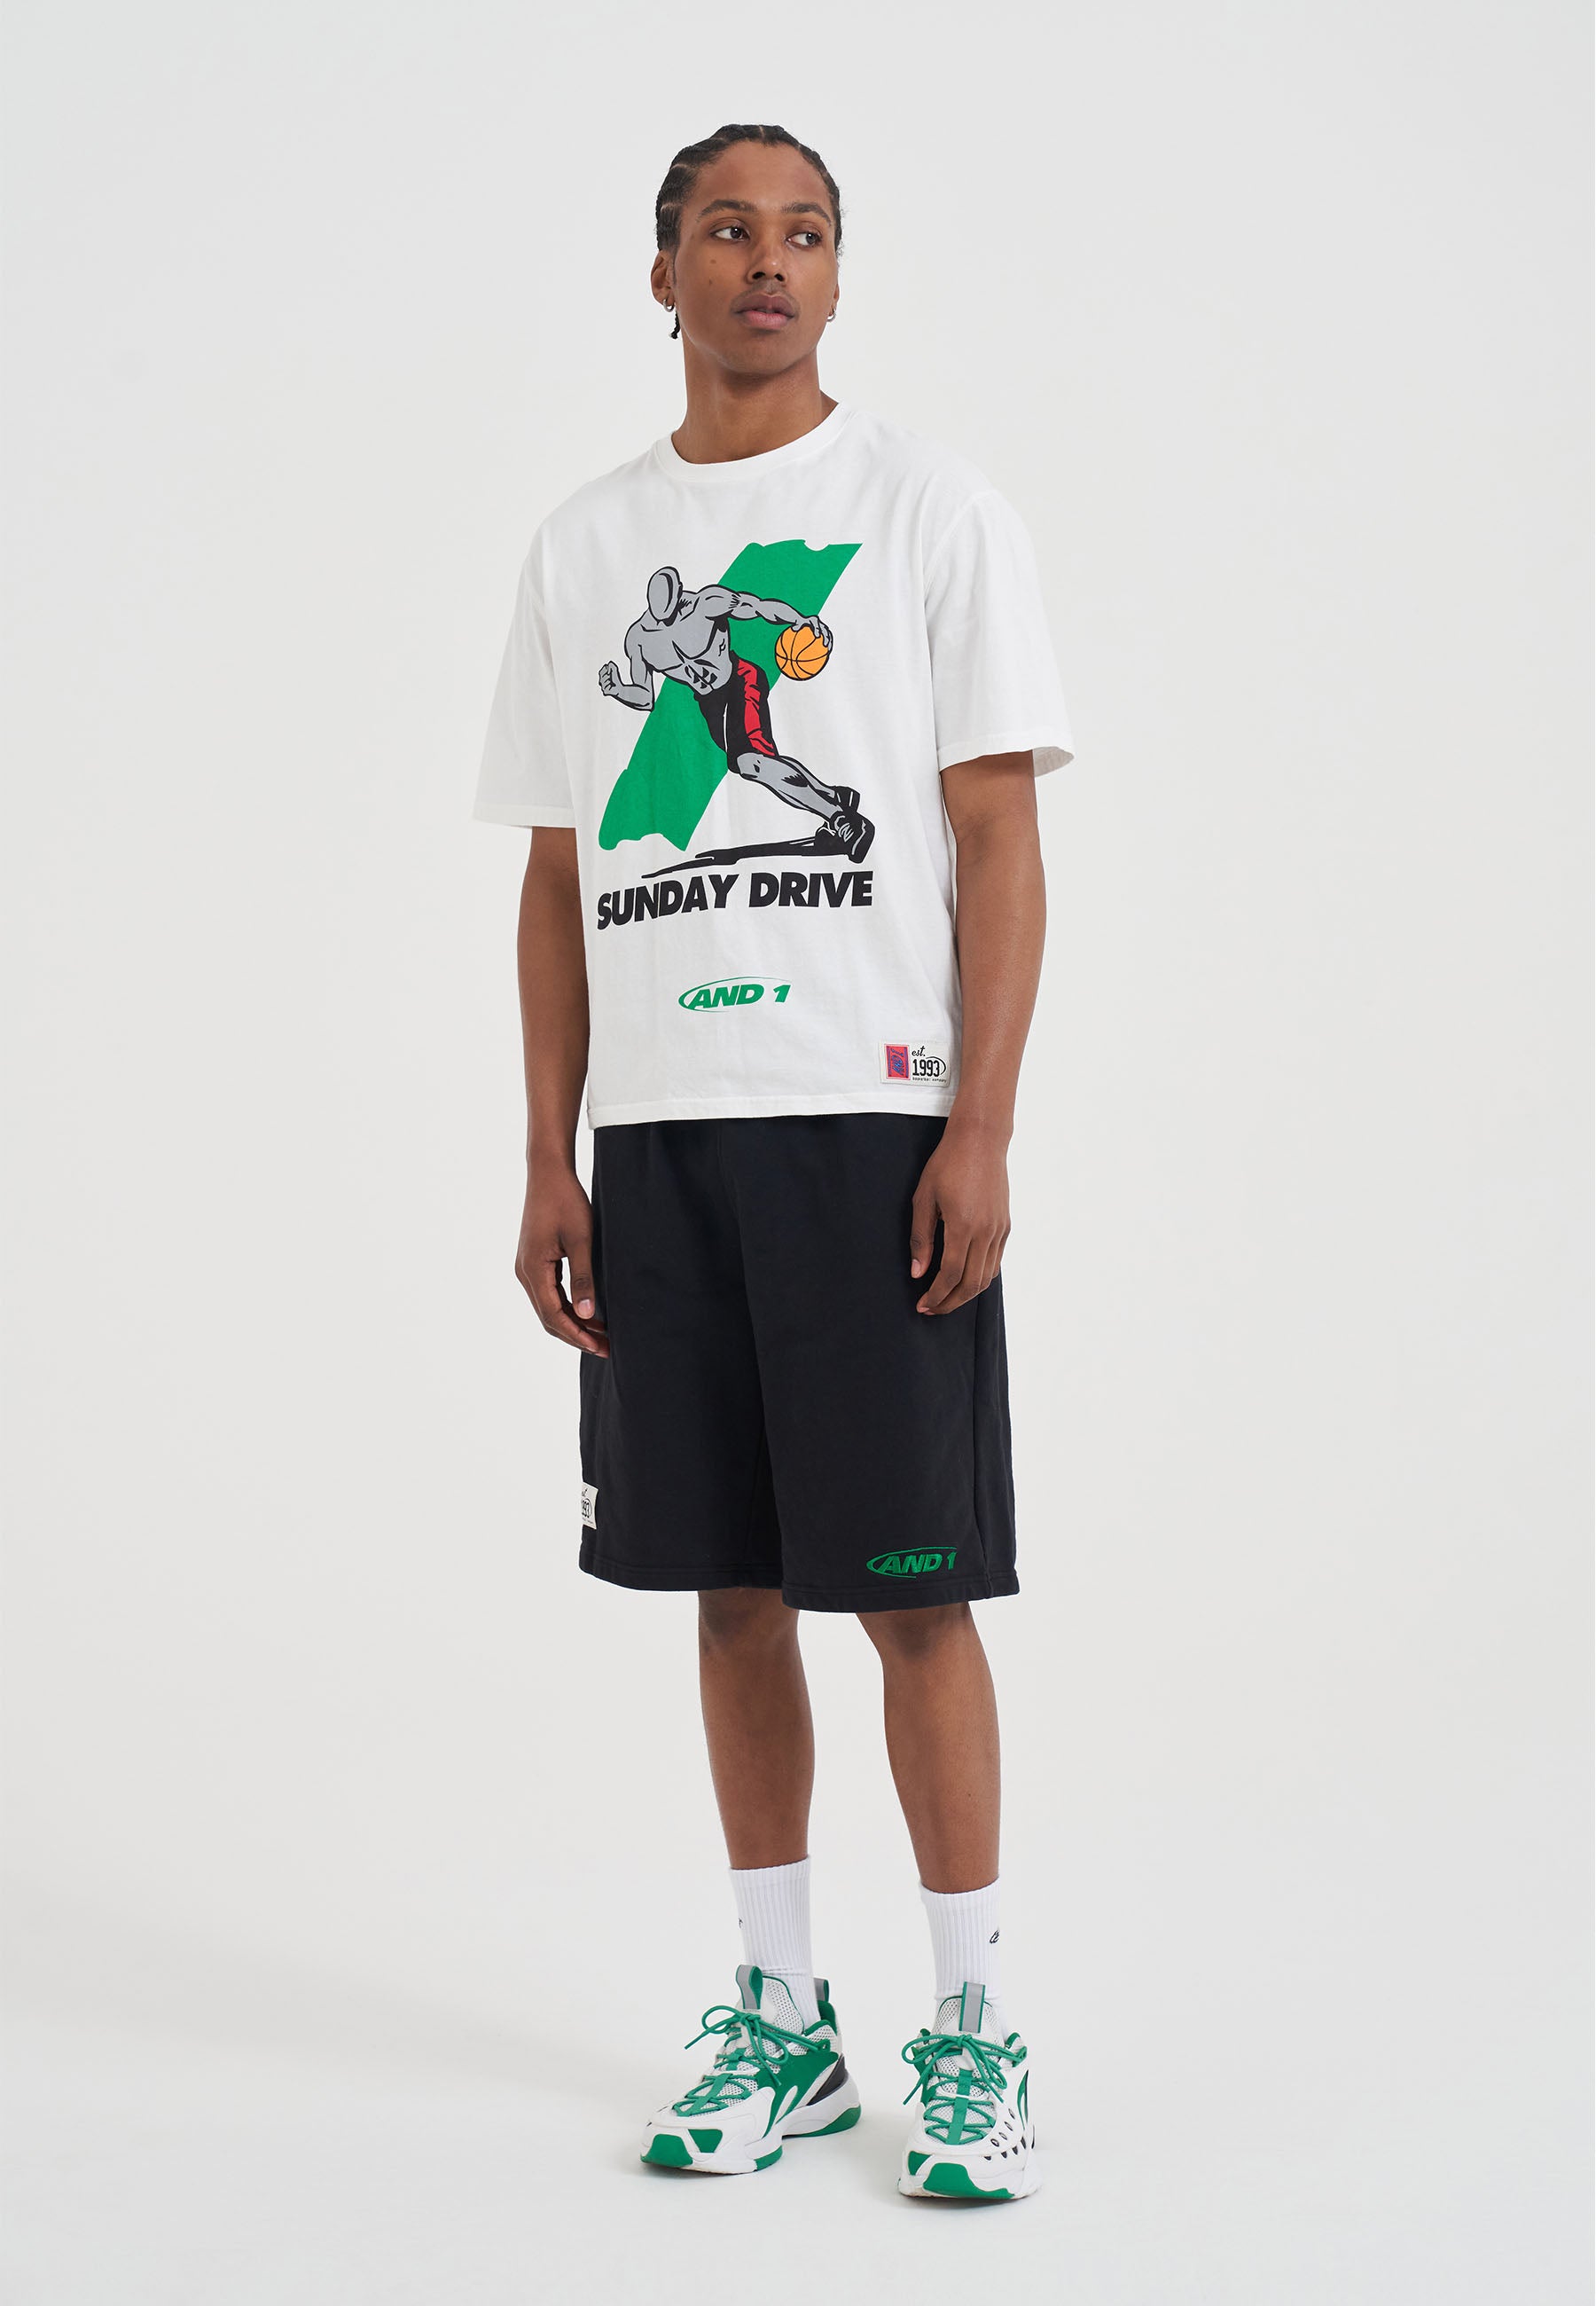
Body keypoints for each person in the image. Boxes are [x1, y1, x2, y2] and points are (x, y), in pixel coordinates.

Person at [474, 122, 1073, 2202]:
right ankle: (783, 2019)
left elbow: (999, 835)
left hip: (867, 1114)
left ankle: (974, 2026)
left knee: (911, 1591)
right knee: (730, 1591)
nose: (768, 261)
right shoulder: (583, 547)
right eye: (728, 229)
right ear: (663, 272)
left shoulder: (926, 511)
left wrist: (978, 1120)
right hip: (660, 1140)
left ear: (835, 276)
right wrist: (550, 1155)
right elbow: (558, 874)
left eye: (805, 232)